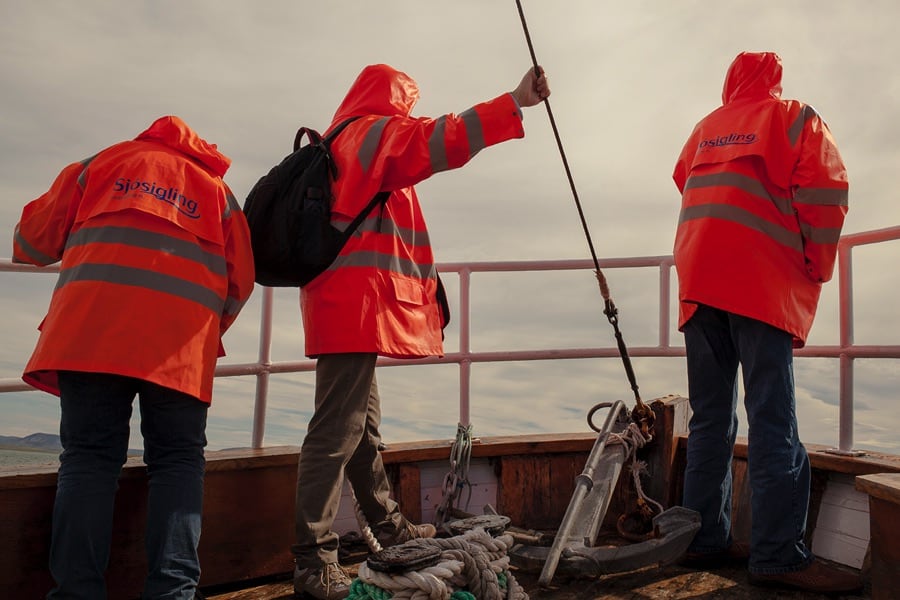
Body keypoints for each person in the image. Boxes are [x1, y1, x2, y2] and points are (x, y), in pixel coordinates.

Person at [291, 64, 550, 600]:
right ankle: (313, 564)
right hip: (354, 306)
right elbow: (441, 138)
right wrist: (514, 103)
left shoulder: (342, 140)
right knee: (335, 432)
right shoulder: (372, 133)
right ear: (394, 101)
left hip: (346, 305)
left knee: (362, 430)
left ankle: (389, 530)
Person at [12, 115, 256, 600]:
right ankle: (173, 592)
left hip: (88, 338)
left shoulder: (99, 165)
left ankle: (78, 593)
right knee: (179, 461)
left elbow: (31, 243)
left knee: (87, 460)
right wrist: (203, 333)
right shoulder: (218, 194)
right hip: (179, 352)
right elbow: (239, 283)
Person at [672, 52, 860, 594]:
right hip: (757, 282)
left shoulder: (705, 127)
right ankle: (779, 556)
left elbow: (685, 180)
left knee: (709, 421)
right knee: (773, 419)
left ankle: (704, 539)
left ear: (730, 81)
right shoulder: (795, 118)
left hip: (699, 281)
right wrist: (815, 266)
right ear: (774, 83)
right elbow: (826, 193)